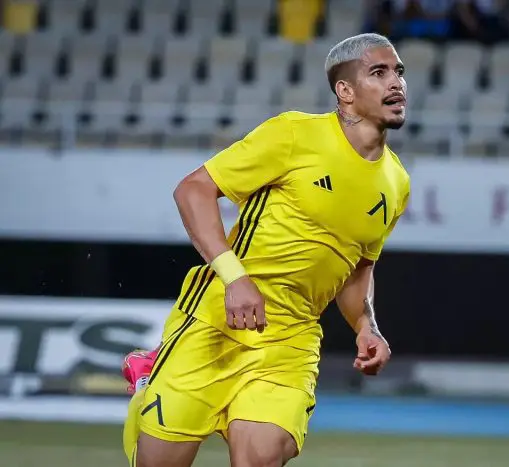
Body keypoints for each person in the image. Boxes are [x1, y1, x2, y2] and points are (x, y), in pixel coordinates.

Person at [121, 32, 410, 467]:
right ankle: (150, 384)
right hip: (216, 320)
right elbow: (193, 190)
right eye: (379, 72)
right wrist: (235, 277)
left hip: (291, 339)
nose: (396, 83)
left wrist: (365, 325)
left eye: (399, 72)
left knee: (259, 458)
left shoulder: (397, 183)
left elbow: (357, 269)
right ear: (345, 91)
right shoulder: (294, 134)